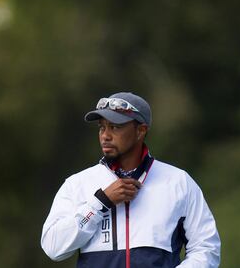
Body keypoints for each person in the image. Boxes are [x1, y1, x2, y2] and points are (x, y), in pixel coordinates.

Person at [41, 92, 221, 267]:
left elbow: (206, 248)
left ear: (141, 131)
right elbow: (53, 247)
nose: (105, 135)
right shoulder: (77, 184)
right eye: (102, 127)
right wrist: (100, 203)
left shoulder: (178, 182)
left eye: (115, 127)